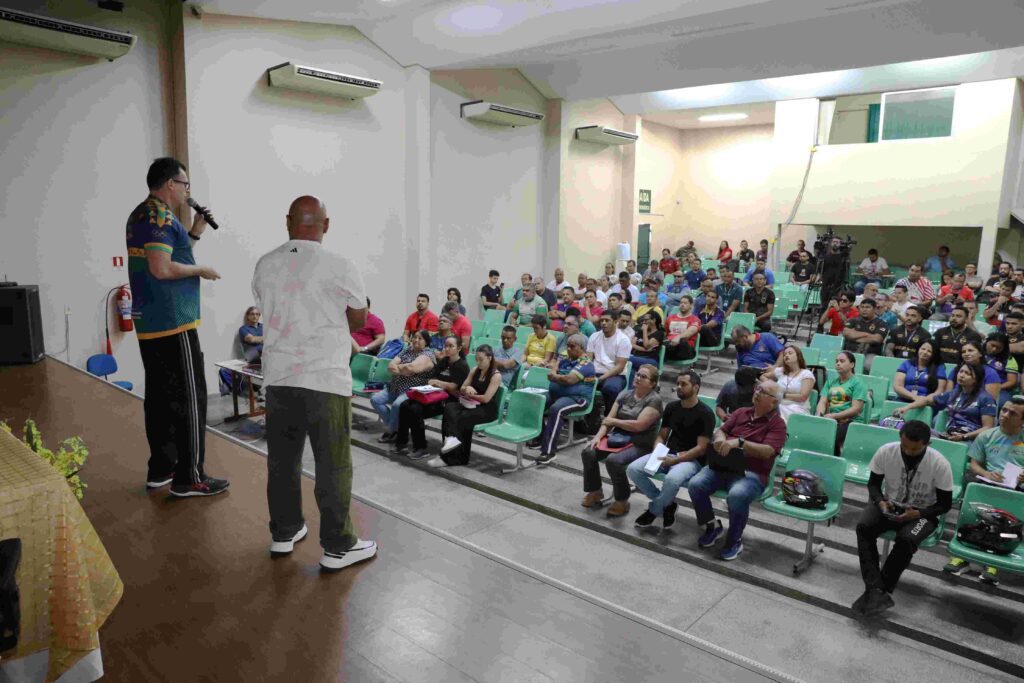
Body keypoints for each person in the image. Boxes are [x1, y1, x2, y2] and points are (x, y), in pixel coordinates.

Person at [254, 194, 374, 570]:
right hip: (325, 378)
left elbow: (269, 312)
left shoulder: (265, 264)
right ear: (326, 224)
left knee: (282, 463)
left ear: (287, 221)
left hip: (279, 378)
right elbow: (358, 319)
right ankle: (338, 546)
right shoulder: (340, 265)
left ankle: (285, 531)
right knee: (333, 464)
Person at [126, 157, 227, 496]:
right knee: (190, 396)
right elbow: (162, 268)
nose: (187, 191)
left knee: (160, 396)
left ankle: (162, 468)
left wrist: (195, 231)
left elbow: (171, 257)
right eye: (185, 185)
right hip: (173, 320)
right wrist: (202, 270)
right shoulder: (159, 216)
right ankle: (190, 476)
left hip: (150, 321)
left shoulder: (143, 213)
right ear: (170, 184)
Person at [852, 420, 953, 616]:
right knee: (863, 526)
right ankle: (875, 589)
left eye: (914, 450)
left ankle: (880, 590)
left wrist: (920, 513)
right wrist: (881, 502)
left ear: (927, 444)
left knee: (907, 539)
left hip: (923, 513)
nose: (908, 452)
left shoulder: (940, 464)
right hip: (890, 504)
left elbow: (944, 505)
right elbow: (873, 485)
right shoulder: (886, 452)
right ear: (900, 438)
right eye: (904, 446)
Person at [687, 380, 787, 561]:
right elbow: (721, 430)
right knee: (695, 484)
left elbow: (768, 451)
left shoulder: (778, 424)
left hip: (752, 473)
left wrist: (741, 443)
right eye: (757, 388)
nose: (757, 392)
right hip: (723, 465)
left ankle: (734, 539)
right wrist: (719, 439)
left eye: (763, 392)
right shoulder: (741, 412)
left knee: (737, 495)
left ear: (774, 402)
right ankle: (712, 525)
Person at [944, 398, 1024, 585]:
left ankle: (994, 561)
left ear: (1022, 421)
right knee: (972, 489)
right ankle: (963, 554)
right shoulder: (986, 436)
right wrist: (987, 473)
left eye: (1013, 413)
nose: (1005, 415)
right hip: (988, 485)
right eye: (1004, 410)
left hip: (1016, 491)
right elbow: (974, 465)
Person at [627, 371, 717, 529]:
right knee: (634, 469)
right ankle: (667, 505)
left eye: (683, 384)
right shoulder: (672, 407)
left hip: (691, 459)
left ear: (696, 388)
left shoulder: (706, 414)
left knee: (672, 479)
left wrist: (675, 460)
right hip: (668, 453)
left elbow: (701, 448)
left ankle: (654, 510)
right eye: (677, 384)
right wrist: (658, 451)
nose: (678, 387)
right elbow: (662, 435)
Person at [580, 365, 664, 517]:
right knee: (588, 451)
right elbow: (607, 421)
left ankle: (622, 500)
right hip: (617, 439)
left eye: (643, 377)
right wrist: (598, 437)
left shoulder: (654, 400)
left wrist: (613, 421)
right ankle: (595, 491)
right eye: (638, 375)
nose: (638, 378)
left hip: (640, 443)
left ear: (652, 384)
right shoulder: (624, 395)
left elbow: (639, 426)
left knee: (614, 461)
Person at [393, 335, 470, 460]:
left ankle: (421, 448)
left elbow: (453, 387)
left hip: (448, 401)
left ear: (459, 348)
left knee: (415, 410)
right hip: (433, 394)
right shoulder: (444, 361)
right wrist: (440, 384)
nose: (447, 348)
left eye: (451, 346)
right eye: (446, 346)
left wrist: (440, 383)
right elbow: (430, 380)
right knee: (405, 405)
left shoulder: (462, 366)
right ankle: (401, 443)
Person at [533, 334, 597, 465]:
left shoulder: (586, 364)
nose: (568, 348)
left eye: (572, 346)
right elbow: (553, 370)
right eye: (567, 345)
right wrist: (557, 375)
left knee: (556, 409)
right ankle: (541, 437)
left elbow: (569, 379)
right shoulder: (565, 359)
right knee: (536, 401)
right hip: (558, 394)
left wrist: (556, 377)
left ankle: (548, 452)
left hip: (578, 399)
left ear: (582, 348)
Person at [437, 345, 504, 467]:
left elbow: (486, 398)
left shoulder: (496, 375)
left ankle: (458, 456)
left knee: (461, 417)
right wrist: (467, 388)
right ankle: (449, 443)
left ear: (489, 358)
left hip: (486, 408)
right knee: (449, 408)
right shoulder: (474, 370)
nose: (478, 362)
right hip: (470, 403)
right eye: (476, 359)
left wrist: (472, 395)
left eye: (481, 359)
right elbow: (462, 388)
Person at [895, 364, 996, 442]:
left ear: (976, 379)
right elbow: (926, 400)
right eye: (961, 371)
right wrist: (906, 407)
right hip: (948, 435)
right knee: (916, 431)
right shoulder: (953, 394)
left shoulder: (986, 398)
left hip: (969, 440)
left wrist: (964, 437)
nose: (962, 375)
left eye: (967, 373)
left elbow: (988, 427)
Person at [372, 330, 436, 442]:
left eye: (420, 338)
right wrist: (404, 369)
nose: (416, 340)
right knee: (375, 400)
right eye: (414, 337)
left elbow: (413, 368)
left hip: (411, 390)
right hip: (395, 386)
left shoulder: (428, 354)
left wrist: (399, 368)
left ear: (426, 342)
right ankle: (394, 427)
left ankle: (391, 431)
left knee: (397, 405)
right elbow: (390, 365)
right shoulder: (407, 350)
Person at [816, 351, 866, 456]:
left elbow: (856, 409)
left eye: (842, 361)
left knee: (830, 438)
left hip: (851, 422)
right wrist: (819, 415)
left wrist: (834, 416)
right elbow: (822, 401)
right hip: (832, 419)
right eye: (836, 361)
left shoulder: (858, 383)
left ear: (852, 365)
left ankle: (833, 463)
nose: (838, 363)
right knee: (814, 434)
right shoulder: (831, 381)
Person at [587, 312, 631, 414]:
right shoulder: (594, 336)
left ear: (615, 322)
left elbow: (620, 367)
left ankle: (609, 417)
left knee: (610, 389)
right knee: (577, 382)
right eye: (602, 320)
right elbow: (588, 359)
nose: (603, 323)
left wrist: (601, 378)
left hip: (615, 375)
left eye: (607, 320)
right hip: (595, 372)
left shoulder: (623, 340)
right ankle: (586, 416)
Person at [218, 306, 264, 397]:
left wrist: (260, 339)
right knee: (223, 370)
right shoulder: (243, 329)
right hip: (251, 357)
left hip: (266, 355)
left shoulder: (263, 327)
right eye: (252, 314)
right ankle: (240, 389)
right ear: (248, 316)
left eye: (257, 314)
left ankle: (233, 388)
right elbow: (251, 339)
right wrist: (265, 338)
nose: (255, 316)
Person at [765, 345, 814, 422]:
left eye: (790, 353)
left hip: (797, 407)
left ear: (798, 356)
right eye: (784, 354)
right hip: (779, 404)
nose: (786, 355)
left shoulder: (806, 373)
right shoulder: (781, 371)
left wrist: (781, 395)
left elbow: (803, 397)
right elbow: (763, 376)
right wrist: (771, 386)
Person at [842, 298, 889, 369]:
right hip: (850, 351)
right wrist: (867, 335)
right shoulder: (853, 320)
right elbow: (846, 333)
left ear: (874, 309)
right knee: (839, 361)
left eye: (868, 307)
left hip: (870, 354)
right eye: (862, 307)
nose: (864, 310)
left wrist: (854, 335)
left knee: (868, 365)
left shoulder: (881, 323)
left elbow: (877, 339)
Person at [984, 332, 1019, 406]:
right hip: (975, 385)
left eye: (998, 348)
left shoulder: (1010, 360)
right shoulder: (977, 352)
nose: (994, 349)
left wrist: (996, 387)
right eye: (992, 345)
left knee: (1002, 403)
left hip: (999, 388)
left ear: (1004, 348)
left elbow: (1011, 382)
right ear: (987, 342)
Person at [664, 295, 701, 361]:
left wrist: (678, 337)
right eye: (681, 303)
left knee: (682, 342)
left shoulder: (695, 320)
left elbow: (691, 331)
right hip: (670, 346)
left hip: (686, 349)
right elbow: (665, 332)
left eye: (685, 303)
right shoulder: (670, 318)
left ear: (691, 305)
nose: (682, 305)